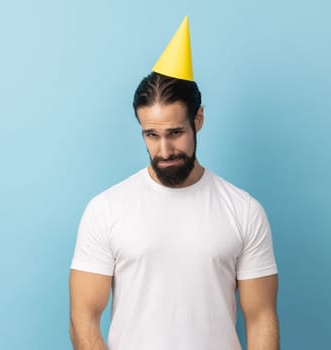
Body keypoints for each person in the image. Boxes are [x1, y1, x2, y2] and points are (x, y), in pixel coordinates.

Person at [69, 17, 279, 350]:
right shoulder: (106, 209)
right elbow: (83, 317)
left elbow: (262, 318)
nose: (164, 150)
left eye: (175, 133)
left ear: (198, 120)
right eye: (151, 135)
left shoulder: (244, 210)